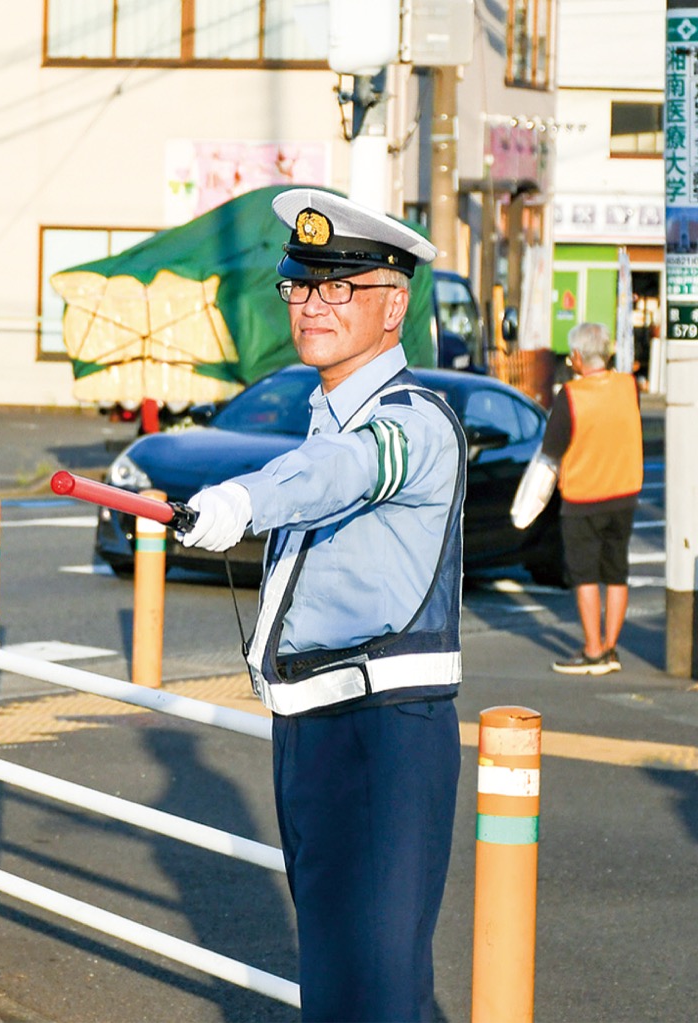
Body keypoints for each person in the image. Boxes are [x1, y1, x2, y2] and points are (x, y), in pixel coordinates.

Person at [181, 187, 465, 1023]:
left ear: (394, 306)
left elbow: (343, 472)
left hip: (383, 732)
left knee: (374, 988)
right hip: (312, 726)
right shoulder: (328, 416)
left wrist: (242, 499)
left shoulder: (412, 422)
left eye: (339, 285)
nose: (312, 304)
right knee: (340, 980)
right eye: (300, 285)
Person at [543, 321, 643, 675]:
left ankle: (593, 650)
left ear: (577, 356)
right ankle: (611, 648)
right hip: (624, 493)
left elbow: (551, 448)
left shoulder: (571, 395)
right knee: (616, 573)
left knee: (585, 575)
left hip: (583, 497)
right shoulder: (629, 386)